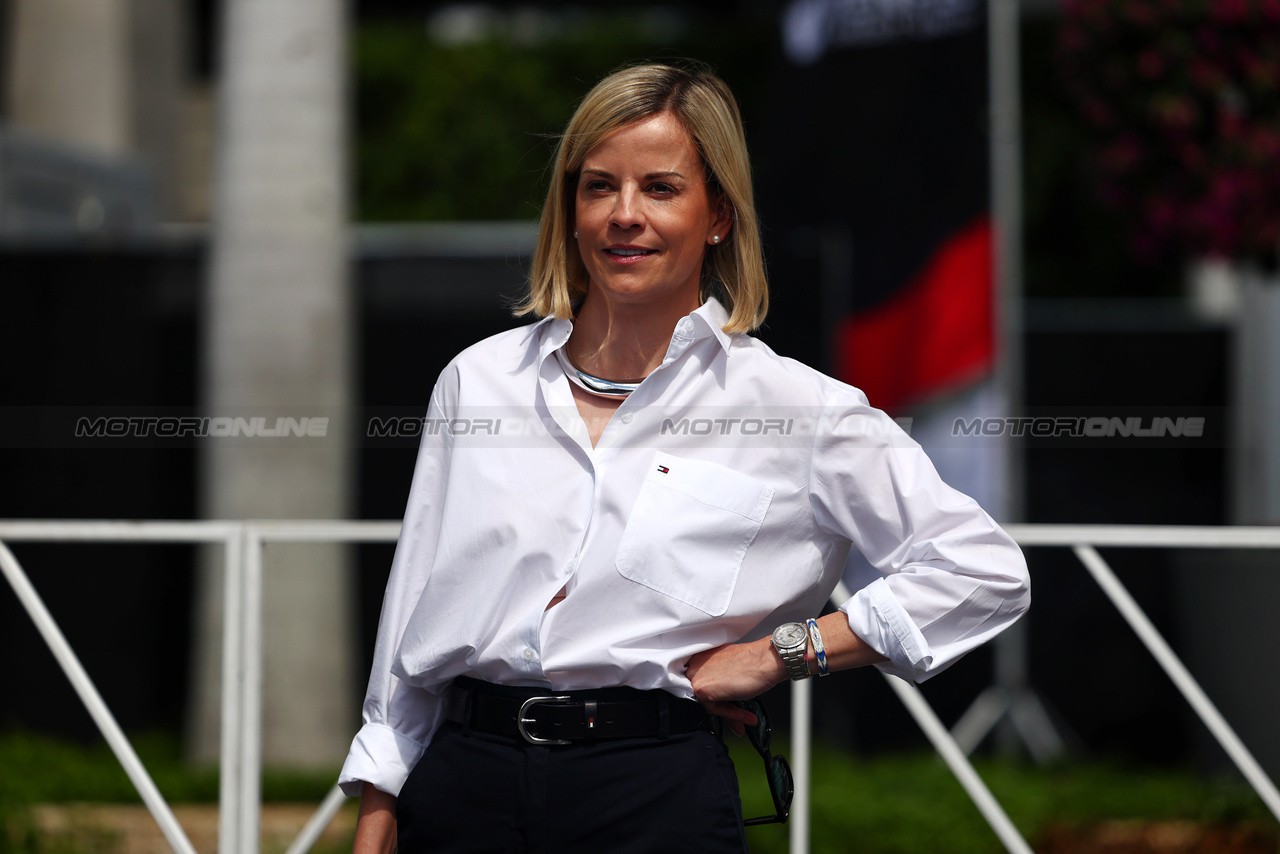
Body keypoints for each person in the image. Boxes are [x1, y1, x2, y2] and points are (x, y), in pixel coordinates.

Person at [340, 61, 1030, 854]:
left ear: (719, 217)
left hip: (653, 797)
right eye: (599, 186)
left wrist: (783, 654)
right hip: (461, 790)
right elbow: (411, 620)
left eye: (660, 189)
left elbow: (982, 571)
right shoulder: (479, 380)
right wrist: (379, 805)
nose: (624, 215)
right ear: (569, 210)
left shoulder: (797, 410)